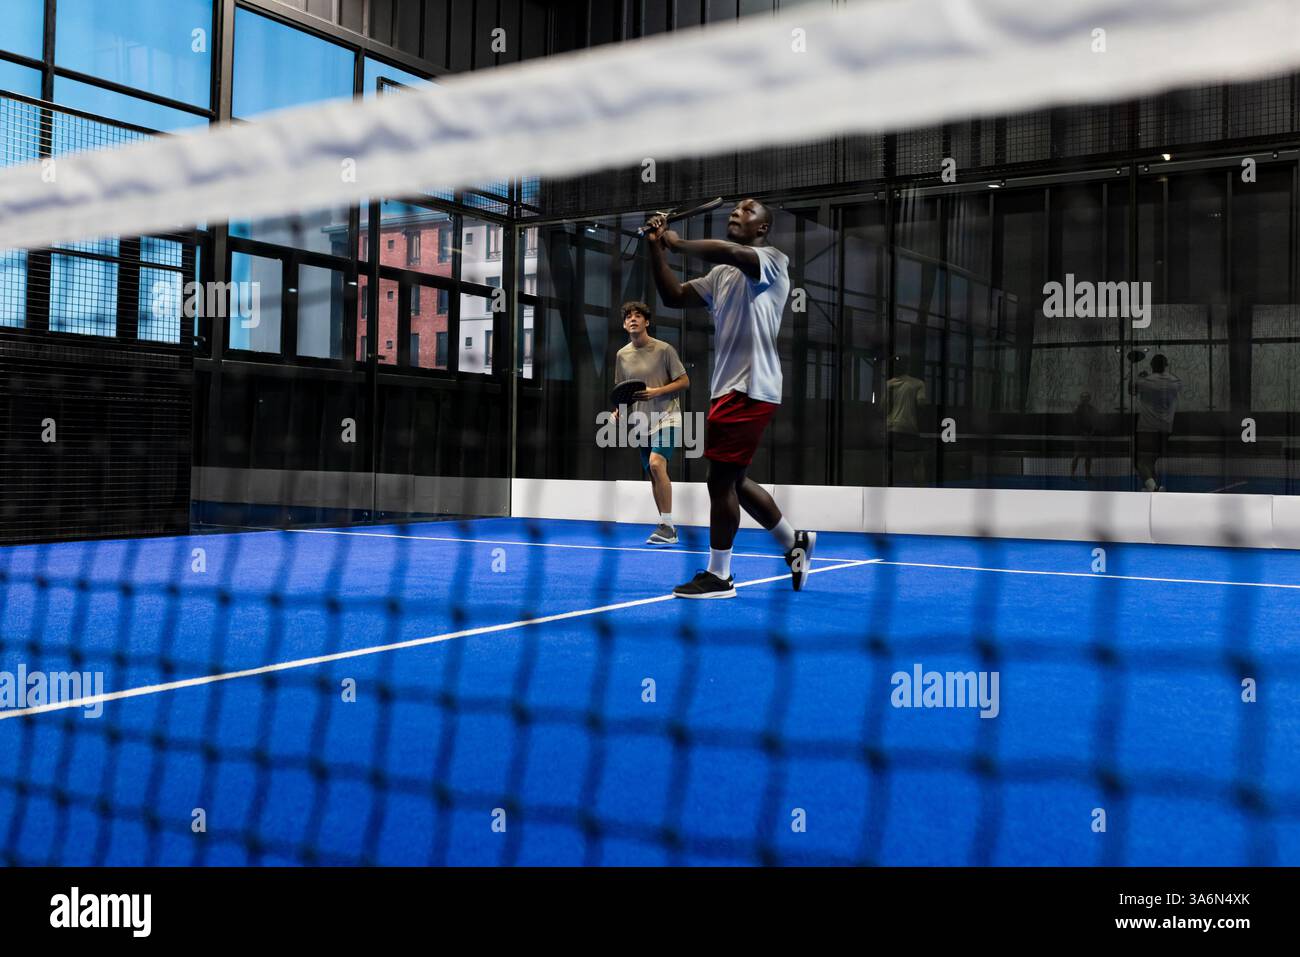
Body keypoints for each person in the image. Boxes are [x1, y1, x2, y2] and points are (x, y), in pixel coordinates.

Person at [644, 198, 815, 599]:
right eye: (735, 209)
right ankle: (795, 541)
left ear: (762, 228)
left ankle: (720, 576)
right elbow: (673, 295)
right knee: (733, 480)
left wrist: (677, 242)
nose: (738, 212)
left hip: (751, 387)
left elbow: (731, 252)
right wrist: (655, 246)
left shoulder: (772, 260)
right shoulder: (722, 275)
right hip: (728, 389)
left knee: (718, 480)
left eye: (748, 210)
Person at [613, 300, 690, 545]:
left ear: (647, 322)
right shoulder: (622, 356)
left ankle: (668, 526)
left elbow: (684, 382)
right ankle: (665, 525)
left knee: (657, 464)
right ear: (625, 325)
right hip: (641, 423)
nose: (633, 320)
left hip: (668, 416)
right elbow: (622, 391)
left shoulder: (665, 349)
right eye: (628, 317)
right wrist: (618, 411)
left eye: (638, 316)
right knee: (653, 474)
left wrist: (656, 391)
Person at [1131, 353, 1182, 492]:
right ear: (1166, 365)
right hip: (1166, 428)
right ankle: (1153, 488)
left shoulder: (1145, 382)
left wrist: (1140, 376)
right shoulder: (1175, 382)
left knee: (1140, 462)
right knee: (1151, 461)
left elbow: (1131, 390)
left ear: (1152, 365)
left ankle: (1153, 488)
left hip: (1146, 428)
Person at [886, 355, 928, 487]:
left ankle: (888, 486)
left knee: (890, 460)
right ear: (908, 366)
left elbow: (882, 407)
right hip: (909, 427)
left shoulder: (889, 384)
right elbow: (921, 404)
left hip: (891, 426)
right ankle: (920, 490)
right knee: (918, 460)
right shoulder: (918, 383)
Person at [1070, 391, 1098, 481]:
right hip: (1079, 436)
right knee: (1077, 455)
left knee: (1089, 456)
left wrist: (1092, 433)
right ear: (1081, 398)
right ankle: (1072, 475)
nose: (1085, 398)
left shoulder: (1092, 409)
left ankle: (1087, 474)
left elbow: (1095, 422)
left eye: (1087, 397)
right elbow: (1075, 423)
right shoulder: (1077, 409)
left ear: (1089, 399)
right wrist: (1082, 433)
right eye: (1083, 397)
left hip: (1089, 437)